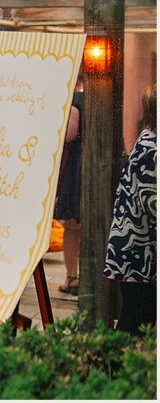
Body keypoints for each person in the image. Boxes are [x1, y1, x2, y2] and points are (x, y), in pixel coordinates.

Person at [104, 84, 156, 335]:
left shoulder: (149, 141)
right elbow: (153, 202)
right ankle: (113, 371)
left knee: (141, 317)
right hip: (137, 254)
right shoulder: (151, 149)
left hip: (139, 253)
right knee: (136, 320)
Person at [55, 80, 84, 295]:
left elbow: (70, 134)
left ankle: (72, 277)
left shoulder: (75, 99)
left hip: (77, 164)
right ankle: (78, 276)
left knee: (72, 225)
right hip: (89, 161)